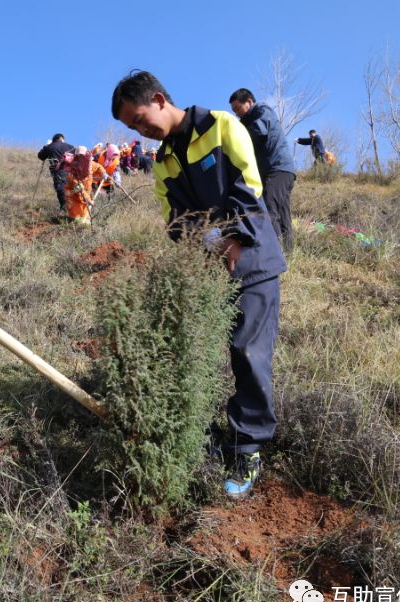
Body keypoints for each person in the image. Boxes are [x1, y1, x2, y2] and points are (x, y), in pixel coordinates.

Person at [112, 70, 286, 499]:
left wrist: (233, 238)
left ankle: (249, 447)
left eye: (138, 119)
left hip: (253, 261)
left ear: (158, 99)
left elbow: (249, 184)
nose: (140, 131)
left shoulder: (221, 126)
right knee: (202, 352)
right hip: (208, 269)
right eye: (131, 128)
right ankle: (207, 436)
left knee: (248, 352)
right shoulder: (163, 161)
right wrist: (202, 243)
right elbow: (173, 218)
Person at [230, 88, 297, 252]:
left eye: (238, 109)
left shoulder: (262, 111)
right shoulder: (247, 122)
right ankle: (287, 252)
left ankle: (274, 251)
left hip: (278, 168)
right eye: (234, 111)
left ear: (249, 102)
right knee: (282, 213)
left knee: (269, 206)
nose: (237, 114)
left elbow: (259, 131)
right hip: (280, 170)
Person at [61, 145, 107, 227]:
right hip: (73, 197)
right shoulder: (73, 171)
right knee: (78, 218)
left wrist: (103, 173)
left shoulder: (90, 164)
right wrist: (89, 200)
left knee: (87, 219)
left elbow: (99, 167)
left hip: (85, 197)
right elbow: (80, 189)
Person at [37, 133, 75, 212]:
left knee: (61, 189)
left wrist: (46, 146)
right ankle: (72, 209)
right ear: (62, 139)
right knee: (71, 189)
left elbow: (41, 156)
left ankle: (65, 208)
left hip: (58, 172)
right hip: (71, 173)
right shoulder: (70, 147)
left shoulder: (50, 147)